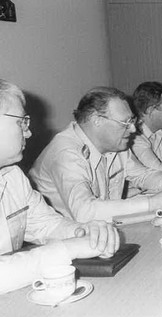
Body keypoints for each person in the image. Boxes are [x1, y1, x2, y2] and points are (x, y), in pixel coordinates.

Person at [0, 79, 119, 294]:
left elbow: (46, 224)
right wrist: (68, 249)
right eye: (21, 122)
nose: (28, 133)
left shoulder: (13, 176)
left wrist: (83, 231)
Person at [30, 87, 162, 222]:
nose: (132, 129)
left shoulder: (115, 144)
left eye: (132, 121)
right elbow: (84, 212)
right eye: (126, 122)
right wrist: (151, 203)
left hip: (103, 228)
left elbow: (142, 175)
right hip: (67, 241)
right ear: (97, 120)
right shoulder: (66, 152)